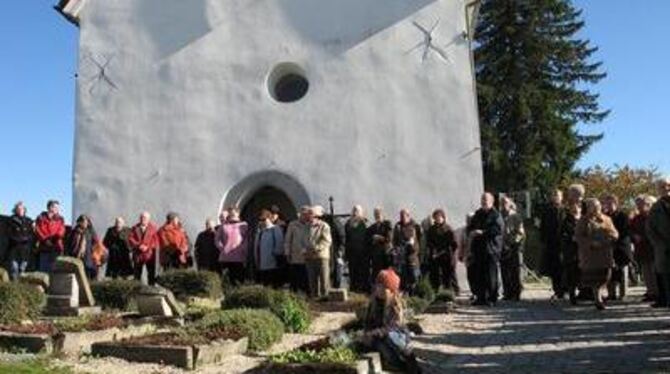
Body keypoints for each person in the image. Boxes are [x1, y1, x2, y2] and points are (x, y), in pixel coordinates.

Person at [361, 268, 421, 374]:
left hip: (397, 336)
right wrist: (367, 333)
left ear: (390, 290)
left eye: (382, 286)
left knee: (391, 337)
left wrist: (378, 331)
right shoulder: (373, 303)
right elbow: (368, 323)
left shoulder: (394, 305)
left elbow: (395, 326)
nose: (378, 288)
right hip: (379, 337)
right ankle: (400, 367)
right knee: (380, 346)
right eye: (378, 285)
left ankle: (411, 362)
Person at [575, 198, 619, 310]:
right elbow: (578, 237)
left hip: (605, 253)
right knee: (594, 278)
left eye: (598, 205)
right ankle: (597, 299)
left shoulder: (607, 219)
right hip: (591, 255)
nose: (596, 208)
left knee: (605, 276)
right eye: (593, 206)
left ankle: (601, 295)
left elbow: (615, 233)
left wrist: (612, 237)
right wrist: (591, 243)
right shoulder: (583, 220)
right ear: (588, 208)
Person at [467, 192, 504, 306]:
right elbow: (470, 227)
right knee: (479, 275)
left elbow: (497, 230)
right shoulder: (478, 214)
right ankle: (481, 297)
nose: (484, 201)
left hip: (491, 249)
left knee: (491, 275)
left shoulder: (496, 215)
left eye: (486, 200)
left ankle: (492, 298)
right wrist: (472, 232)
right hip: (478, 249)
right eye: (482, 199)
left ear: (491, 202)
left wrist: (483, 232)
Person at [602, 195, 632, 301]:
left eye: (610, 203)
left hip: (621, 247)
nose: (608, 205)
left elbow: (625, 231)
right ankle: (611, 293)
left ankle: (623, 294)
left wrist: (615, 240)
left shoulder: (623, 215)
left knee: (622, 271)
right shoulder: (604, 216)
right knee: (611, 271)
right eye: (606, 203)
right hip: (609, 247)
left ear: (616, 203)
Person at [647, 177, 670, 308]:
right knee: (665, 277)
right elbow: (650, 228)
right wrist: (659, 244)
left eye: (668, 186)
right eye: (662, 187)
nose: (666, 189)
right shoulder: (655, 207)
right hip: (663, 248)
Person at [631, 195, 657, 303]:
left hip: (653, 247)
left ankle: (657, 292)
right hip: (641, 248)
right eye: (637, 205)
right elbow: (630, 229)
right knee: (646, 272)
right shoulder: (636, 218)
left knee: (654, 271)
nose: (639, 207)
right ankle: (650, 292)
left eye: (641, 204)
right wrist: (634, 236)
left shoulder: (653, 216)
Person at [540, 189, 565, 299]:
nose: (555, 197)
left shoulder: (565, 210)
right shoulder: (547, 210)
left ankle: (564, 290)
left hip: (563, 243)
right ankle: (557, 290)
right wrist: (544, 240)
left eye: (557, 195)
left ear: (562, 197)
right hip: (551, 243)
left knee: (563, 267)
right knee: (554, 269)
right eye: (553, 195)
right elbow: (543, 227)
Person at [425, 209, 458, 292]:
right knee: (435, 276)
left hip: (447, 257)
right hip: (435, 257)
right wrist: (433, 251)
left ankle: (450, 292)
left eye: (438, 217)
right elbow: (429, 243)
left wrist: (448, 252)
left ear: (443, 217)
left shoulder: (448, 229)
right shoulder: (431, 230)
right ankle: (436, 292)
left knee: (448, 276)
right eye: (435, 217)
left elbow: (454, 244)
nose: (437, 219)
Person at [215, 207, 249, 286]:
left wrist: (242, 249)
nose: (232, 213)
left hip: (239, 258)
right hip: (226, 258)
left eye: (234, 212)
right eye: (231, 212)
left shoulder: (244, 225)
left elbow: (247, 240)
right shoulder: (223, 226)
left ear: (238, 213)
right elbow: (217, 239)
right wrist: (222, 248)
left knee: (238, 281)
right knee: (227, 281)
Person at [500, 197, 526, 301]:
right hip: (503, 246)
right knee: (504, 271)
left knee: (515, 271)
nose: (503, 205)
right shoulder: (500, 215)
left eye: (505, 202)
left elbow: (520, 233)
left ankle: (516, 293)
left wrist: (514, 243)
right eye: (502, 203)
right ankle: (507, 292)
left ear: (510, 204)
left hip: (514, 247)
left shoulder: (515, 216)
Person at [304, 205, 332, 299]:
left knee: (324, 280)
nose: (307, 217)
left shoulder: (324, 226)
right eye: (308, 215)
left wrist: (316, 248)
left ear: (315, 216)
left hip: (321, 256)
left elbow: (327, 241)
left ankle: (325, 299)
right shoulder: (306, 226)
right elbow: (304, 240)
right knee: (312, 280)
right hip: (309, 257)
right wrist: (304, 249)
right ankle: (314, 299)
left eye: (310, 215)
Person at [392, 209, 422, 295]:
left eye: (403, 216)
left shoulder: (414, 226)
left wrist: (413, 247)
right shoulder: (398, 226)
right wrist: (395, 250)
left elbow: (418, 241)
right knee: (403, 279)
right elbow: (395, 241)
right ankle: (406, 296)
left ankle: (414, 295)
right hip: (401, 258)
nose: (402, 218)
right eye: (400, 216)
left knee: (413, 278)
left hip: (412, 257)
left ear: (408, 216)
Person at [254, 209, 285, 286]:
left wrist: (276, 258)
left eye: (264, 219)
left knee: (274, 285)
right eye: (260, 220)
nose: (262, 222)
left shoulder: (275, 229)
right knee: (265, 285)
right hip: (261, 264)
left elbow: (279, 245)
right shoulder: (260, 231)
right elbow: (256, 248)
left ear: (269, 218)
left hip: (273, 265)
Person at [66, 215, 102, 279]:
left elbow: (96, 243)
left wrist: (96, 258)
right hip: (76, 256)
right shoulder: (74, 231)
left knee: (86, 276)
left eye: (86, 222)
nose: (84, 223)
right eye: (82, 222)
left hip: (88, 258)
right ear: (79, 222)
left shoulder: (90, 231)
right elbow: (69, 244)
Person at [128, 211, 160, 285]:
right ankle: (137, 290)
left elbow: (155, 241)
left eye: (145, 218)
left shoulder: (153, 228)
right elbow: (130, 239)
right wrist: (139, 245)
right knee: (137, 274)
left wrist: (147, 247)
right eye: (141, 217)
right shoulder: (134, 228)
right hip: (138, 255)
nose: (143, 219)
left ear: (149, 219)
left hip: (149, 255)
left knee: (151, 274)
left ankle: (151, 290)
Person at [284, 206, 311, 293]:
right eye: (302, 214)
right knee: (295, 278)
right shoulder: (293, 224)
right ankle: (295, 294)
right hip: (295, 255)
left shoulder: (310, 225)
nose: (304, 216)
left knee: (306, 278)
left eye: (306, 214)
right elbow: (288, 240)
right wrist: (287, 253)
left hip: (308, 256)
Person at [34, 200, 66, 273]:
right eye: (55, 207)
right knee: (43, 269)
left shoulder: (60, 219)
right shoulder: (41, 218)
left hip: (56, 247)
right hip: (44, 247)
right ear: (50, 207)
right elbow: (38, 230)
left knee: (55, 270)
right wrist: (45, 240)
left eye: (58, 208)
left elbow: (62, 230)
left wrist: (54, 239)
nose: (57, 209)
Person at [561, 202, 582, 305]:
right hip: (571, 250)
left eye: (577, 208)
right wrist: (571, 238)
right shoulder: (566, 221)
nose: (575, 210)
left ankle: (585, 293)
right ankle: (572, 294)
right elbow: (562, 234)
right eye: (573, 208)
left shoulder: (583, 219)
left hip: (583, 250)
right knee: (572, 273)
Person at [6, 202, 34, 280]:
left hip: (25, 249)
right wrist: (18, 239)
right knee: (14, 268)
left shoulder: (29, 221)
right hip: (14, 248)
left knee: (23, 269)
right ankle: (15, 285)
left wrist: (26, 239)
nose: (20, 210)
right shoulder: (11, 220)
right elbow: (8, 233)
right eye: (18, 209)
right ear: (15, 210)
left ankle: (21, 286)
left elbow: (32, 234)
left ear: (24, 210)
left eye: (22, 209)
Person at [345, 205, 370, 293]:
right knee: (352, 272)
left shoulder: (365, 223)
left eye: (357, 211)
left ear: (361, 213)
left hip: (363, 253)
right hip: (352, 253)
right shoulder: (348, 224)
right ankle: (353, 289)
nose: (355, 212)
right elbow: (346, 238)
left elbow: (368, 238)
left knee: (362, 272)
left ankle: (362, 290)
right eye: (354, 210)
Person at [367, 207, 394, 283]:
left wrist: (379, 238)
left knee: (385, 275)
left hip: (385, 255)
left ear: (382, 214)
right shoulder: (372, 228)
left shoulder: (387, 224)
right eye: (375, 214)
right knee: (376, 275)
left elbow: (389, 239)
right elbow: (368, 240)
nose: (377, 216)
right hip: (375, 256)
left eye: (378, 214)